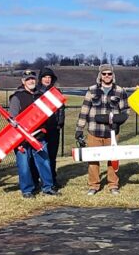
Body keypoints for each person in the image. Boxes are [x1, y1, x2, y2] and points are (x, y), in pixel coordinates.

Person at [75, 64, 129, 195]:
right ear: (100, 76)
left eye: (109, 74)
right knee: (93, 159)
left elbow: (126, 111)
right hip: (94, 130)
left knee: (113, 159)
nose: (107, 76)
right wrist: (79, 128)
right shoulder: (92, 90)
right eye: (104, 74)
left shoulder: (120, 91)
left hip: (112, 133)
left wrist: (118, 120)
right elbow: (84, 111)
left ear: (113, 75)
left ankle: (113, 185)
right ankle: (93, 185)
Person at [9, 70, 55, 199]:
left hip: (39, 136)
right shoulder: (17, 97)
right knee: (24, 166)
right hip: (21, 139)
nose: (31, 81)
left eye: (32, 79)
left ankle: (48, 187)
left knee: (44, 162)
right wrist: (17, 141)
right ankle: (27, 190)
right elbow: (12, 119)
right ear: (23, 81)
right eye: (28, 79)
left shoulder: (40, 95)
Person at [37, 68, 65, 189]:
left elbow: (61, 109)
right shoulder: (36, 92)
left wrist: (60, 123)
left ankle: (52, 180)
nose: (47, 80)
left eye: (49, 77)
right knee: (41, 156)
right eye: (45, 77)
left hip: (53, 128)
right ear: (40, 79)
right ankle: (38, 180)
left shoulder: (56, 92)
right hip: (39, 129)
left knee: (52, 156)